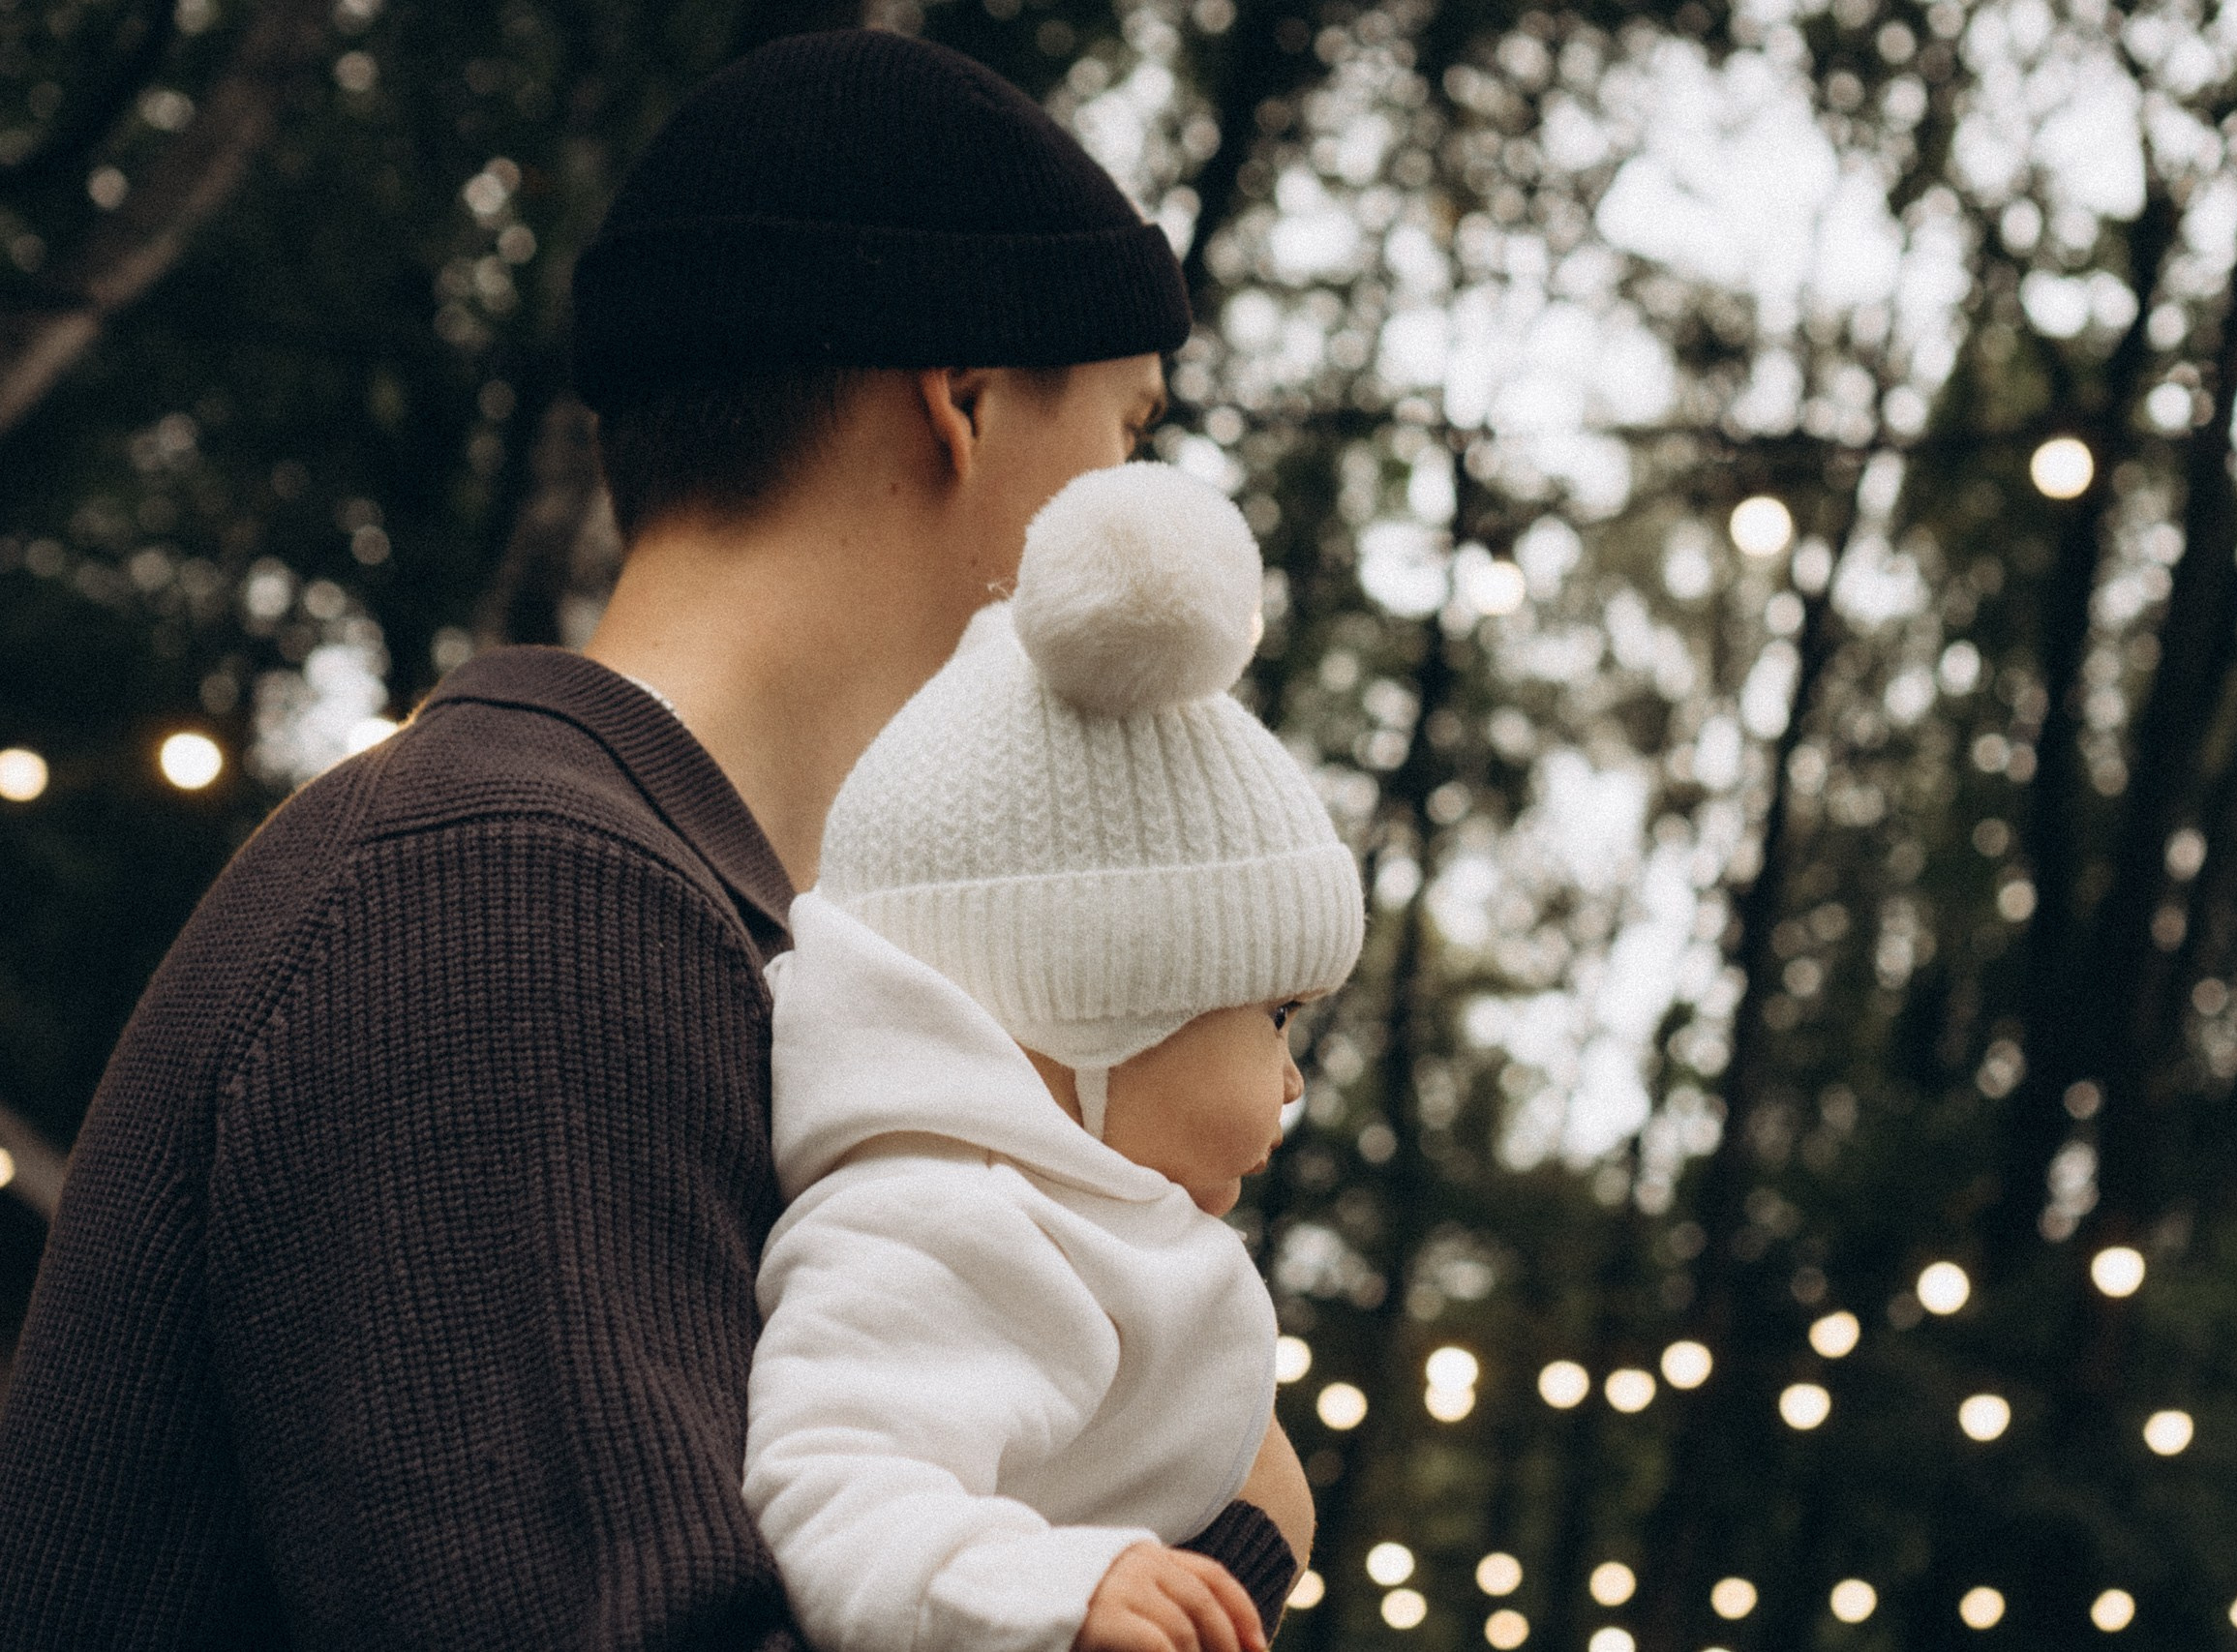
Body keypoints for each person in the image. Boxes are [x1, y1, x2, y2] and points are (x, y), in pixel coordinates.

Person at [0, 29, 1302, 1649]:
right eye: (1126, 427)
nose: (1135, 487)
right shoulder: (507, 891)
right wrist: (1234, 1535)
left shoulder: (648, 908)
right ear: (964, 405)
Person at [748, 462, 1361, 1652]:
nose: (1293, 1079)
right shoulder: (941, 1220)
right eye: (1277, 1014)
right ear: (1098, 1005)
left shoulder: (1054, 1214)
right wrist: (1047, 1593)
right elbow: (827, 1484)